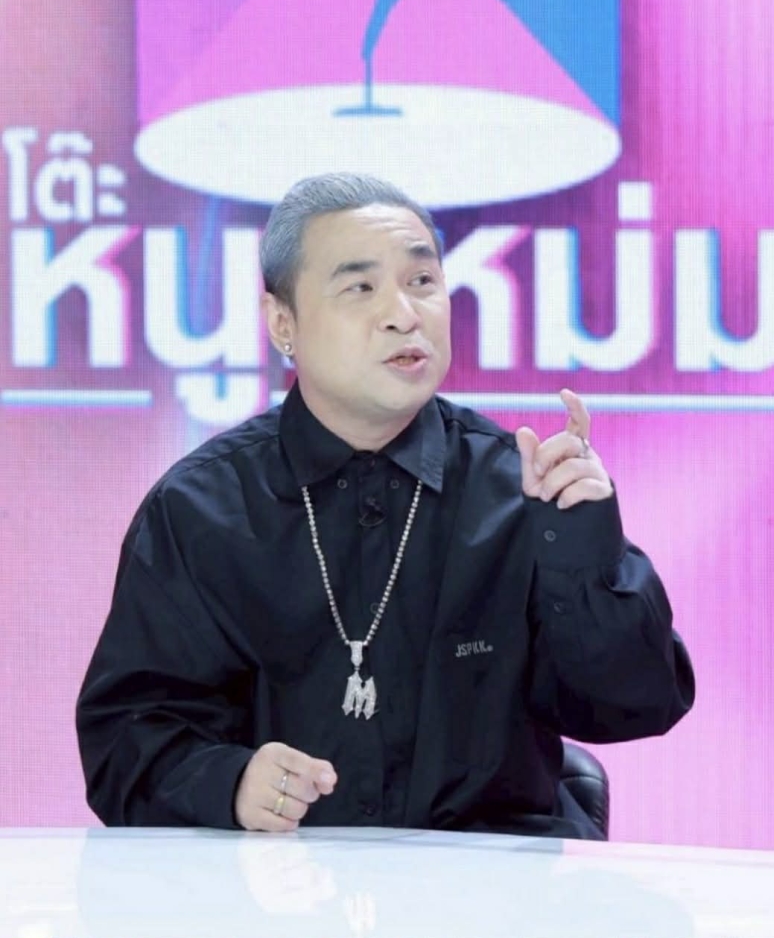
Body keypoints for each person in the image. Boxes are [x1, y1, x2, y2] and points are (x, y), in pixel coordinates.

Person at [76, 172, 695, 838]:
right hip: (275, 885)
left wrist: (582, 550)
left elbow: (638, 704)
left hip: (490, 886)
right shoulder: (201, 509)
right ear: (283, 322)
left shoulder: (520, 490)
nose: (404, 313)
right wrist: (229, 783)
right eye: (360, 287)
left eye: (422, 281)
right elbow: (124, 741)